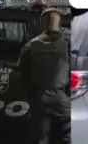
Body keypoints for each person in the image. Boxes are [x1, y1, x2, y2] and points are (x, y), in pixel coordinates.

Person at [18, 8, 71, 144]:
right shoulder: (68, 45)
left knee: (39, 138)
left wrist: (31, 94)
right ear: (60, 24)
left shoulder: (30, 46)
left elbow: (23, 71)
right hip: (62, 98)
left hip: (39, 97)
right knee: (67, 136)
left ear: (41, 24)